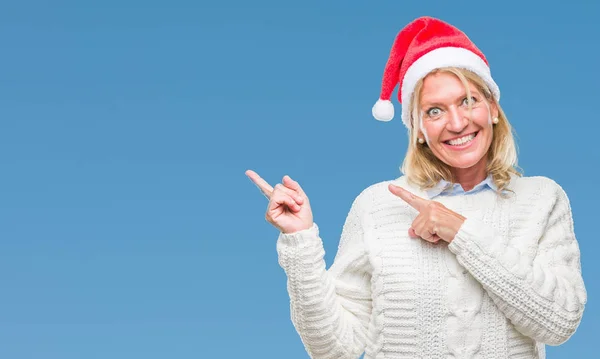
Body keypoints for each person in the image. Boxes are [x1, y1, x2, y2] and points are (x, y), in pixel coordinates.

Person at [245, 16, 586, 359]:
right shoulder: (376, 205)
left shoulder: (542, 199)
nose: (457, 123)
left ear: (493, 108)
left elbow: (559, 323)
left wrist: (461, 232)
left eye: (468, 101)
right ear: (418, 128)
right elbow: (336, 349)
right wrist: (300, 241)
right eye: (435, 110)